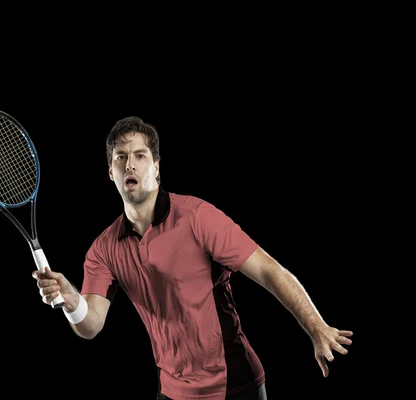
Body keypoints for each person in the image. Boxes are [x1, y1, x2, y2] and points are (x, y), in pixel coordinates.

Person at [32, 116, 353, 400]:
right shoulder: (103, 249)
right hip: (173, 392)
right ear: (110, 172)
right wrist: (71, 300)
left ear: (156, 168)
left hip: (236, 386)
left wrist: (316, 327)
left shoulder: (198, 218)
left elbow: (270, 271)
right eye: (121, 157)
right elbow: (91, 325)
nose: (130, 164)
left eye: (140, 156)